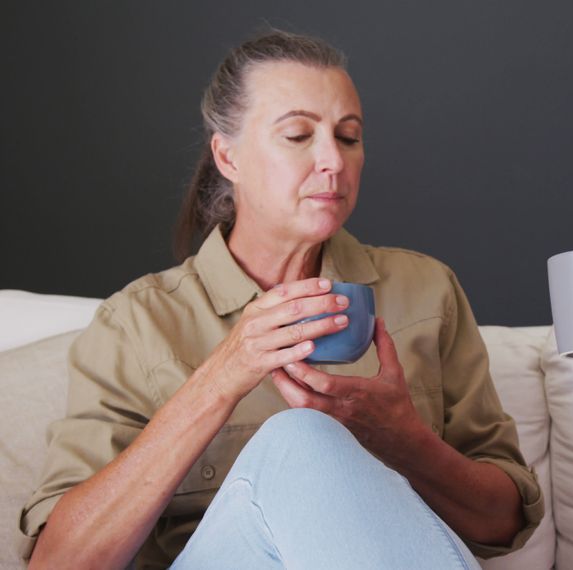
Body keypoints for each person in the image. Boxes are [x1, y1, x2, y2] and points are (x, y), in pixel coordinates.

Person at [19, 30, 542, 569]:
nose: (332, 162)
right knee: (301, 437)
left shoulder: (426, 290)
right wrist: (220, 379)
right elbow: (59, 562)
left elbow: (502, 524)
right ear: (228, 156)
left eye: (348, 136)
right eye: (297, 135)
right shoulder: (137, 324)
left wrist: (404, 440)